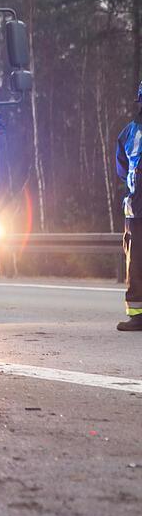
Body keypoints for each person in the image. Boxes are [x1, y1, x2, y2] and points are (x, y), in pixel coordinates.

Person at [116, 81, 142, 331]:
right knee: (136, 262)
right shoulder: (129, 133)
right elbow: (122, 167)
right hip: (136, 209)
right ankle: (138, 314)